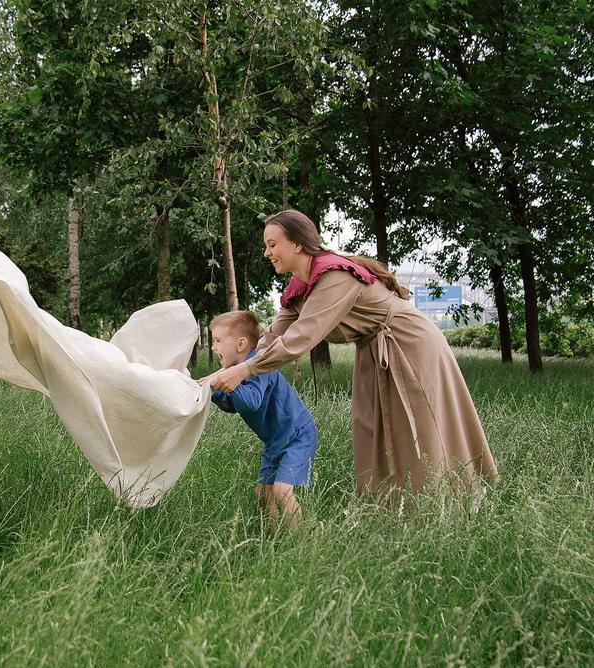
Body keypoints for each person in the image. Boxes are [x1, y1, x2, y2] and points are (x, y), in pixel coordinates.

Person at [207, 210, 497, 497]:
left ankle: (446, 500)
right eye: (266, 245)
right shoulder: (299, 286)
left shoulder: (333, 277)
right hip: (372, 348)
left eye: (273, 244)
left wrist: (245, 370)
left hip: (408, 343)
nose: (267, 252)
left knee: (421, 425)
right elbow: (271, 338)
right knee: (374, 430)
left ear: (297, 243)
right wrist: (220, 373)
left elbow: (300, 337)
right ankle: (391, 507)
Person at [208, 311, 318, 528]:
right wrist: (210, 391)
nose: (213, 347)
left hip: (297, 435)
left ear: (240, 344)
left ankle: (300, 540)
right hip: (274, 441)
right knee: (262, 494)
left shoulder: (259, 364)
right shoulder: (233, 373)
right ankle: (275, 536)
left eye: (218, 341)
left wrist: (223, 381)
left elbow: (251, 402)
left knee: (281, 491)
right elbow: (232, 405)